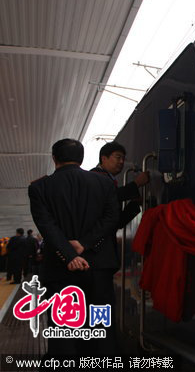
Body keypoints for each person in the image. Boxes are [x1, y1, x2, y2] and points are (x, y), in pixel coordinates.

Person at [28, 138, 119, 355]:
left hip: (60, 270)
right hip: (98, 268)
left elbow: (47, 226)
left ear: (54, 158)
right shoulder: (105, 183)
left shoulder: (39, 187)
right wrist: (84, 244)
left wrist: (69, 254)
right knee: (101, 329)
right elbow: (111, 219)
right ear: (82, 158)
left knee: (63, 331)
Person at [91, 141, 149, 228]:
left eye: (123, 158)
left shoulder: (108, 179)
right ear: (104, 158)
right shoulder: (94, 177)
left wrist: (135, 204)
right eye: (118, 157)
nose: (122, 162)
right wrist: (136, 183)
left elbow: (117, 223)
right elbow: (110, 196)